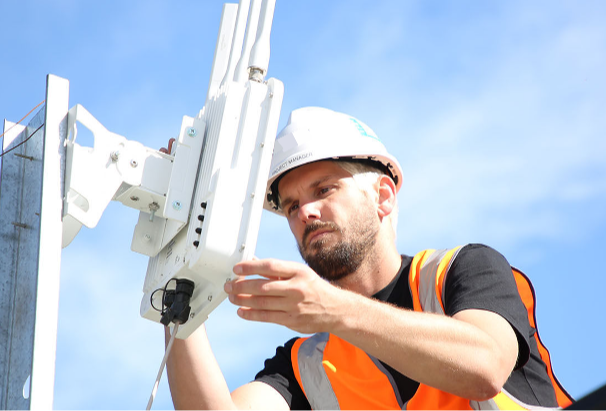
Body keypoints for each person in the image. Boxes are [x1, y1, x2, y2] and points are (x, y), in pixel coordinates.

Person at [165, 107, 572, 410]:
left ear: (383, 197)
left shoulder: (461, 272)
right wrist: (177, 285)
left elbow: (484, 367)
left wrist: (334, 309)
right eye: (291, 206)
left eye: (323, 190)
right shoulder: (306, 366)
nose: (304, 212)